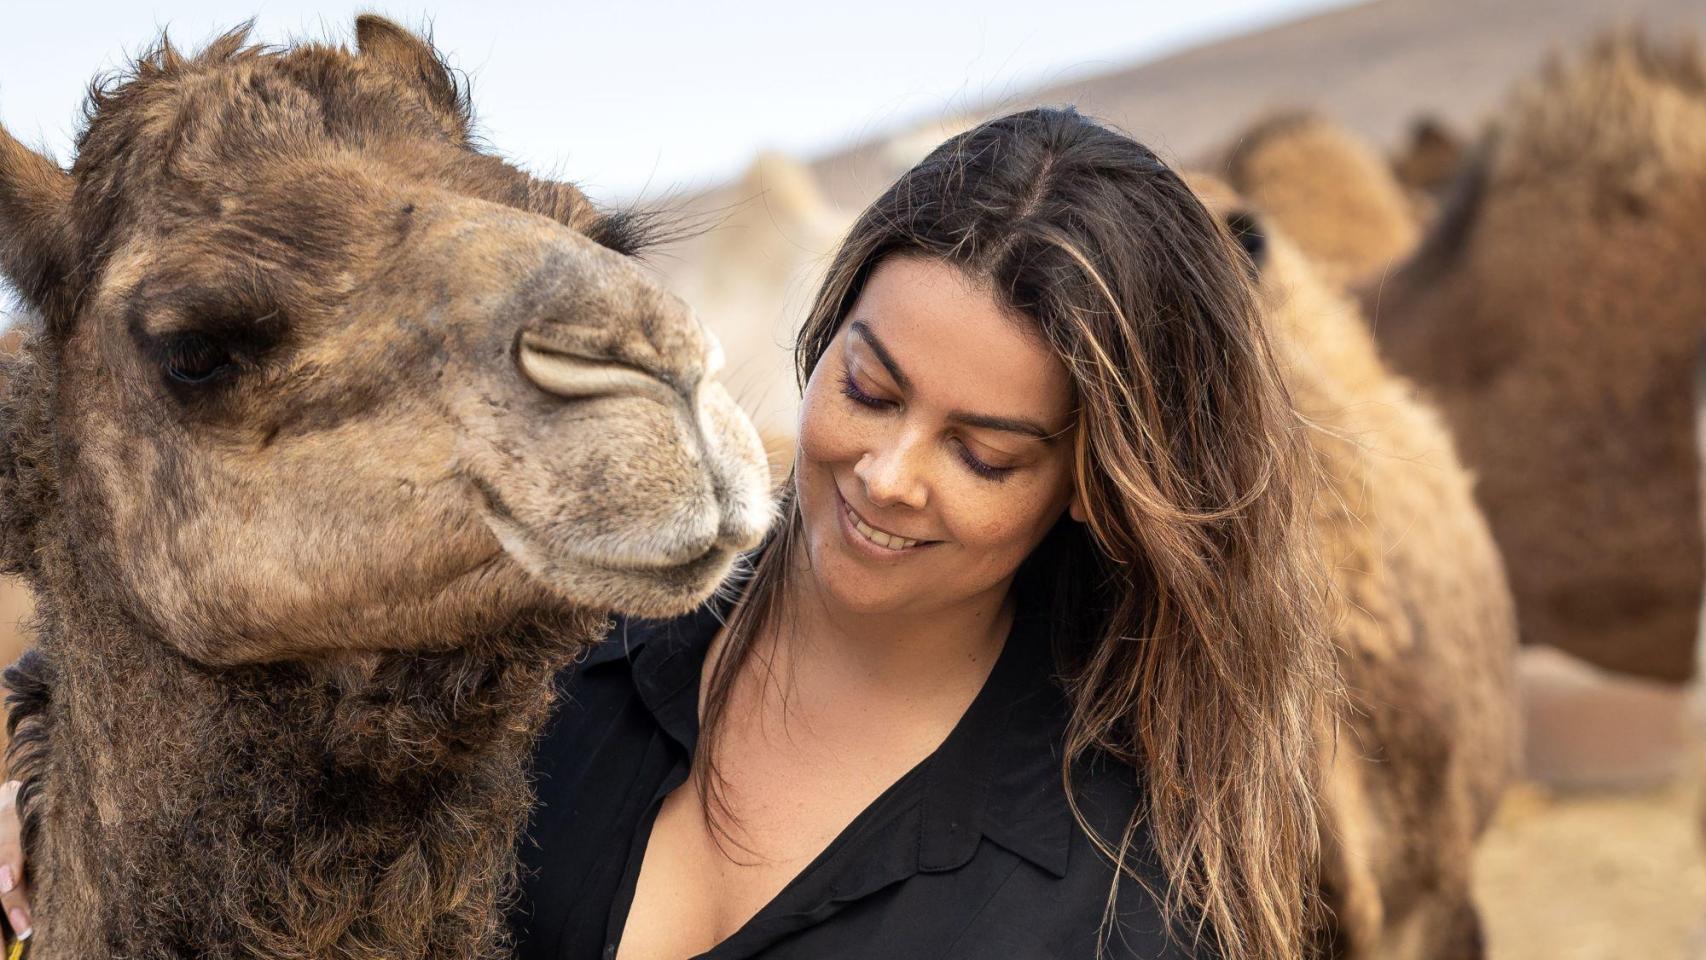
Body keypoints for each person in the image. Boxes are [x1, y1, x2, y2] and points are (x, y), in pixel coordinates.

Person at [0, 106, 1335, 960]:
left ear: (1091, 484)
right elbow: (251, 634)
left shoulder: (1112, 906)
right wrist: (43, 756)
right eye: (865, 388)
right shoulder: (560, 644)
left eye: (984, 453)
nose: (886, 472)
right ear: (822, 340)